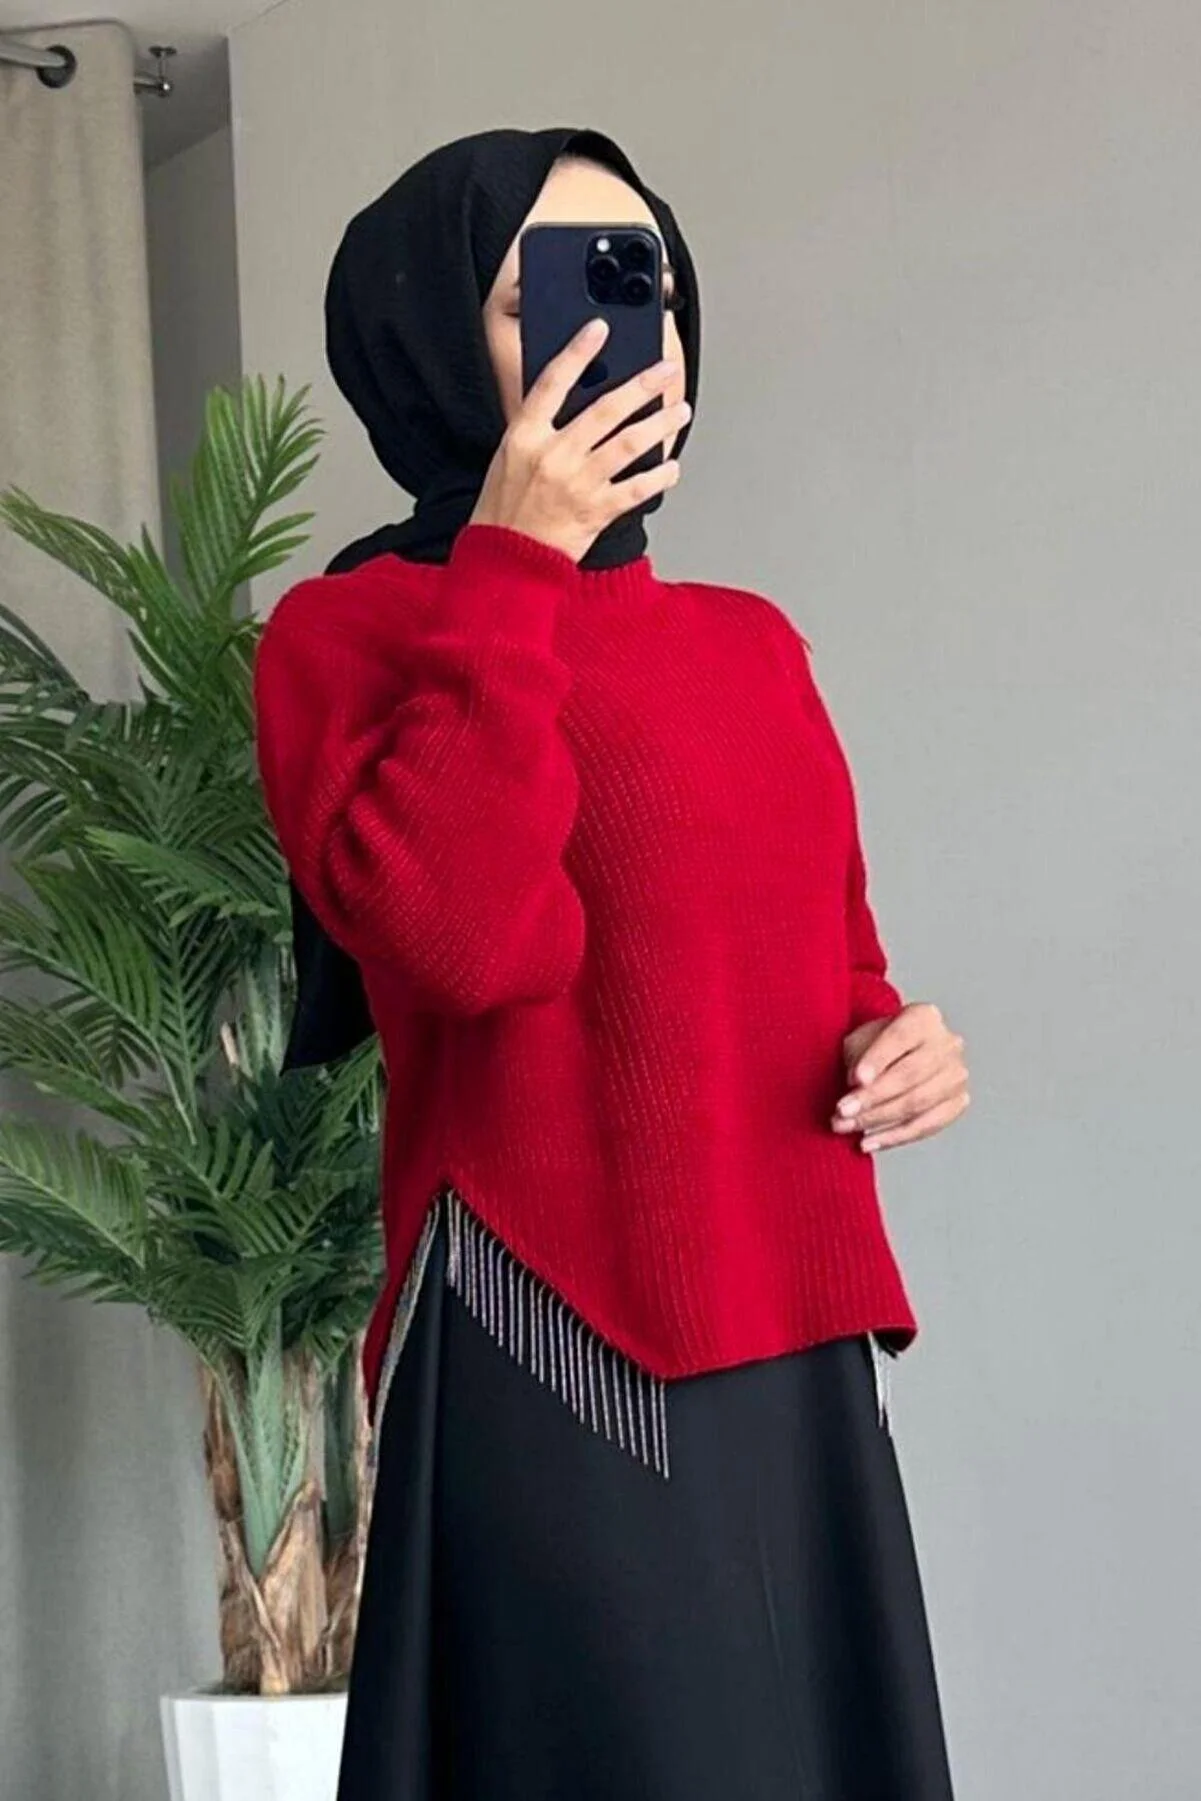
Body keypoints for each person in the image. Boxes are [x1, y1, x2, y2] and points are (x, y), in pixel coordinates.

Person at [252, 124, 970, 1801]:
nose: (613, 328)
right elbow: (465, 940)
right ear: (433, 337)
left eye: (640, 279)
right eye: (544, 295)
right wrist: (512, 567)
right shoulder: (348, 637)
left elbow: (829, 963)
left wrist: (896, 1044)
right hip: (557, 1334)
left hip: (793, 1340)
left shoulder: (751, 644)